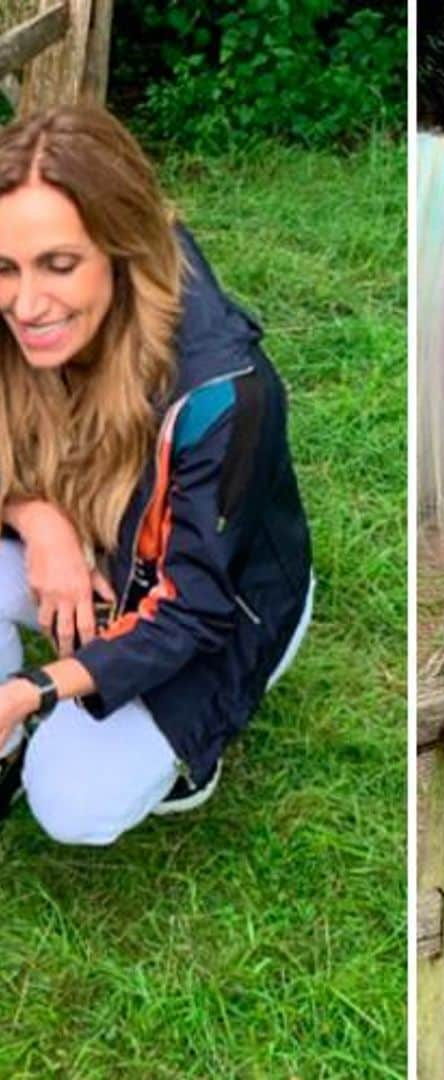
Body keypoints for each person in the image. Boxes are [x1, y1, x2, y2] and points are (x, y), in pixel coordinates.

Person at [0, 104, 313, 845]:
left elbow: (193, 611)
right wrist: (38, 521)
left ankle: (185, 755)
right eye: (6, 266)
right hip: (90, 540)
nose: (27, 303)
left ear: (123, 249)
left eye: (60, 265)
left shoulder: (226, 392)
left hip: (218, 603)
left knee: (72, 801)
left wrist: (36, 688)